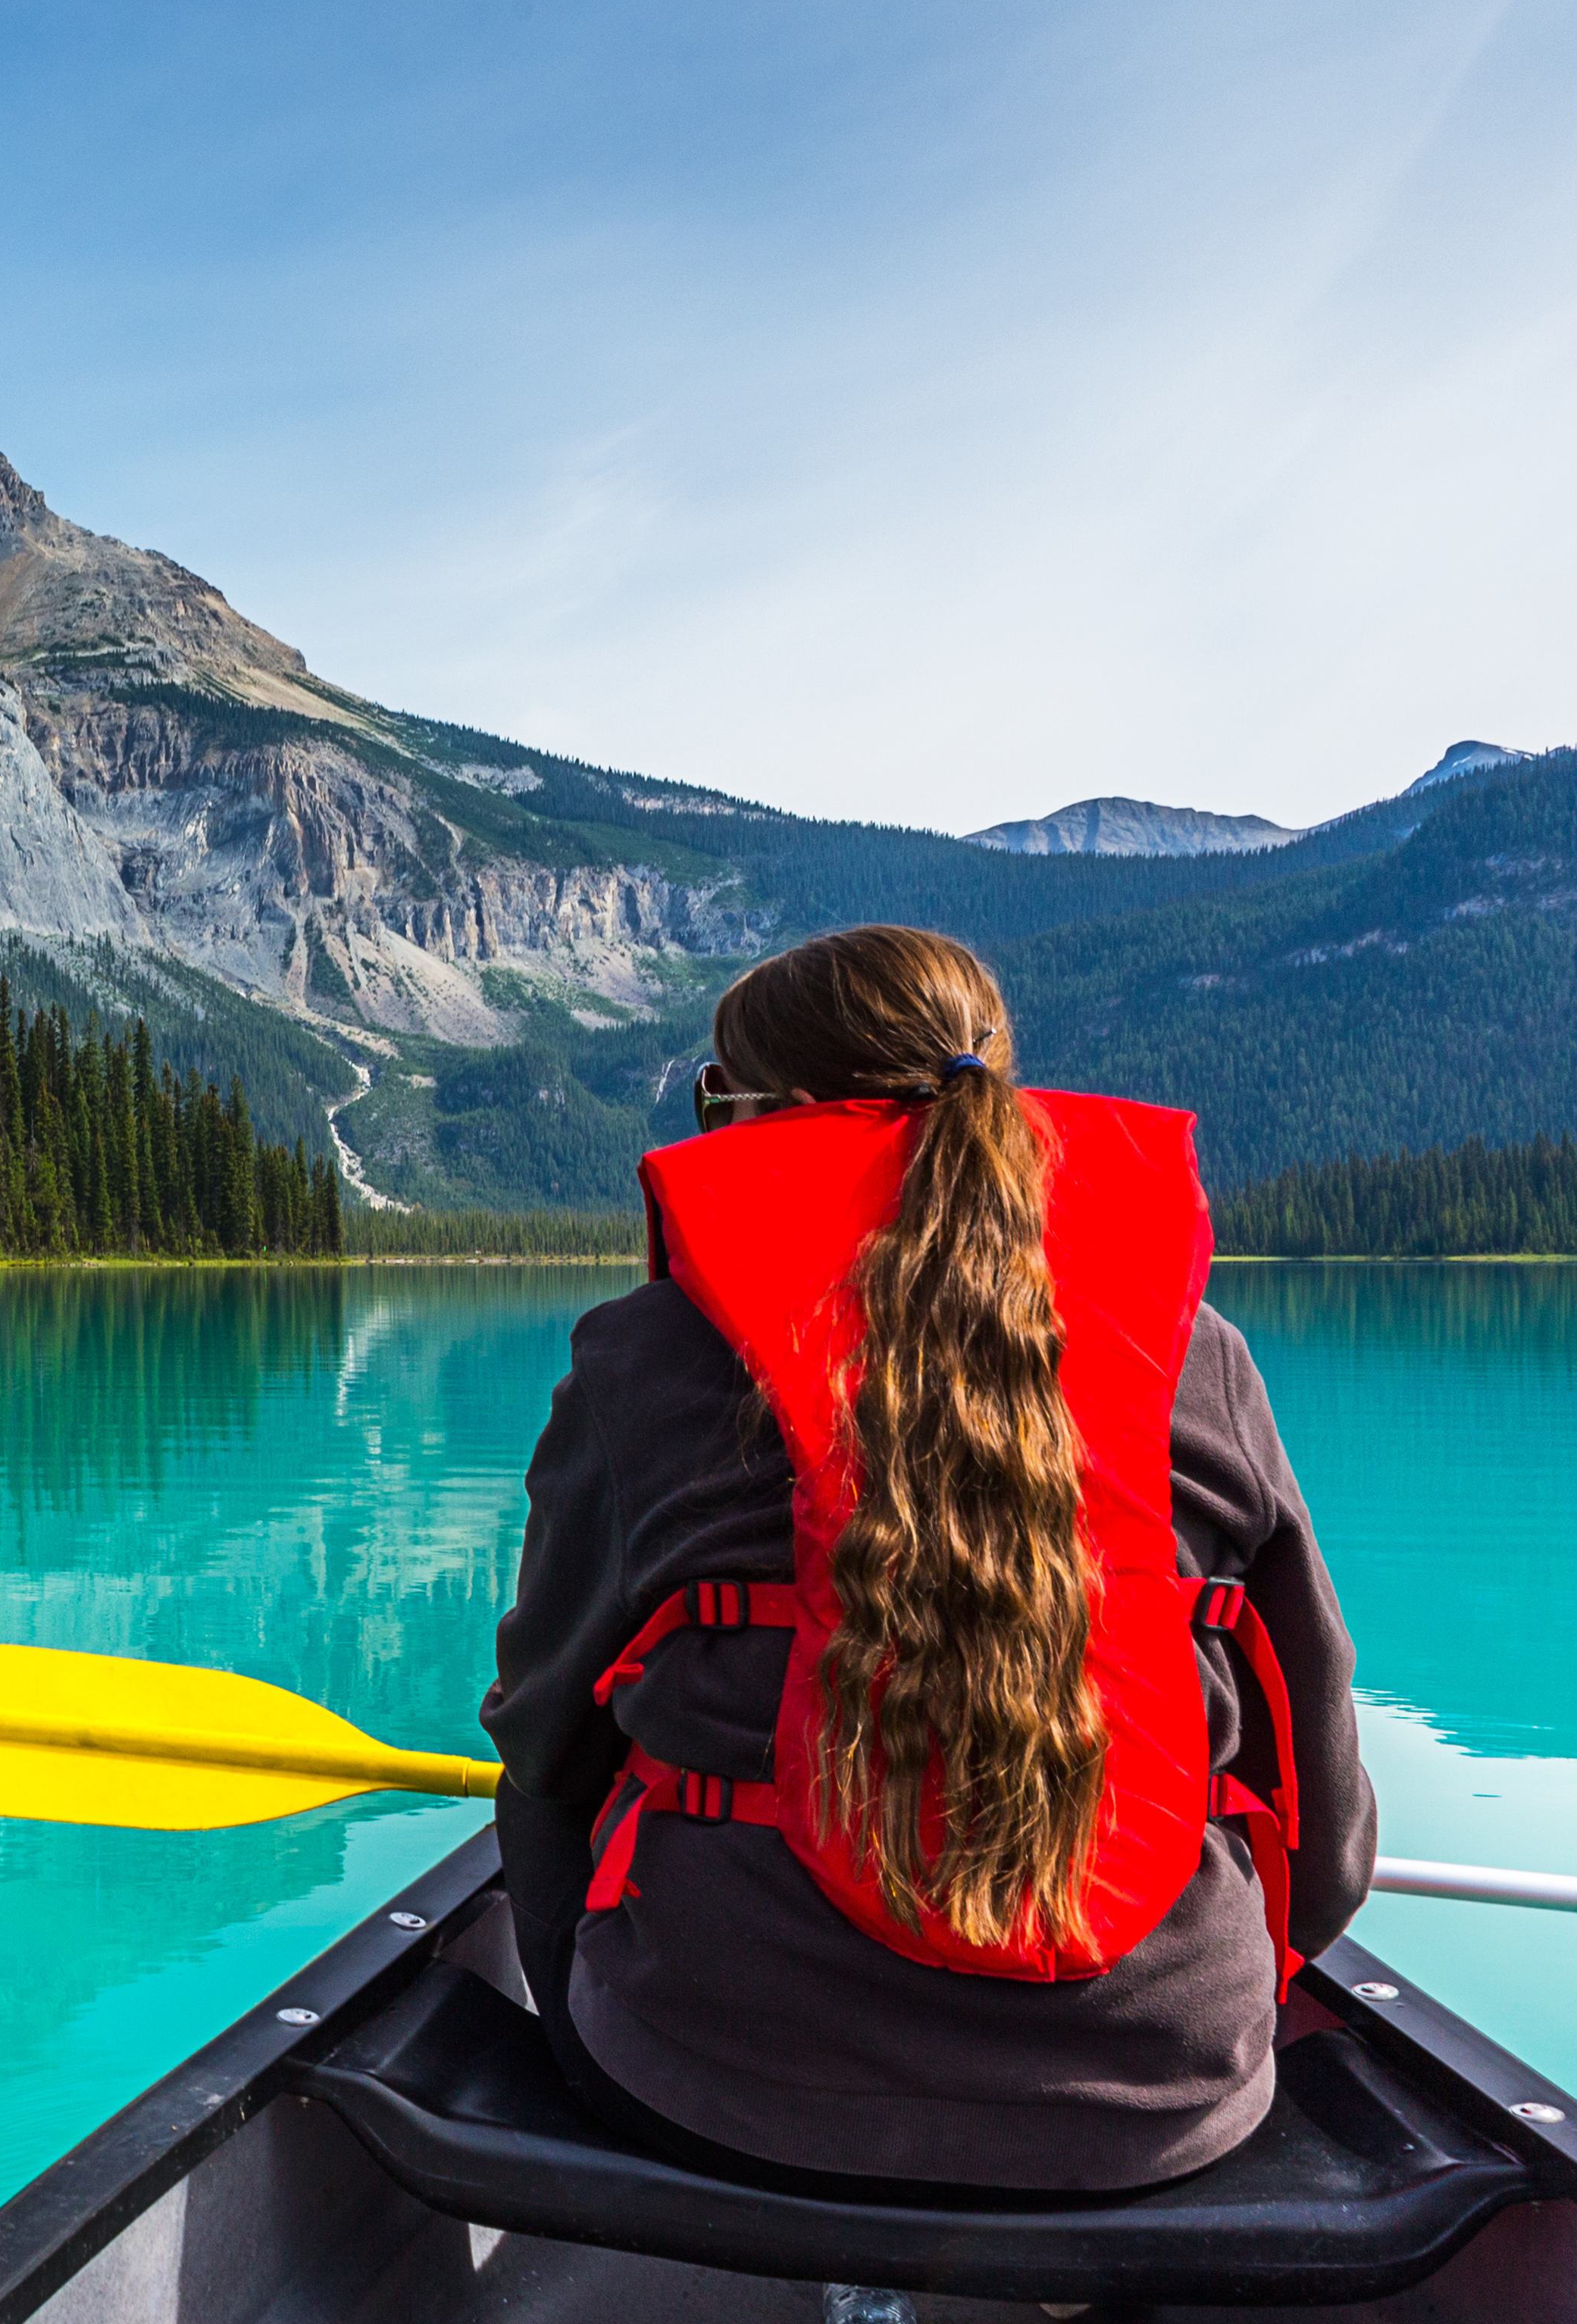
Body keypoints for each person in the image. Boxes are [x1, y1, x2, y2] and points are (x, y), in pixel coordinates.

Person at [483, 924, 1373, 2195]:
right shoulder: (1198, 1358)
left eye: (717, 1101)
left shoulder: (643, 1360)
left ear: (777, 1117)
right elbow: (1323, 1820)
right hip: (1162, 2099)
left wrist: (588, 1991)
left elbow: (545, 1744)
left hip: (720, 2083)